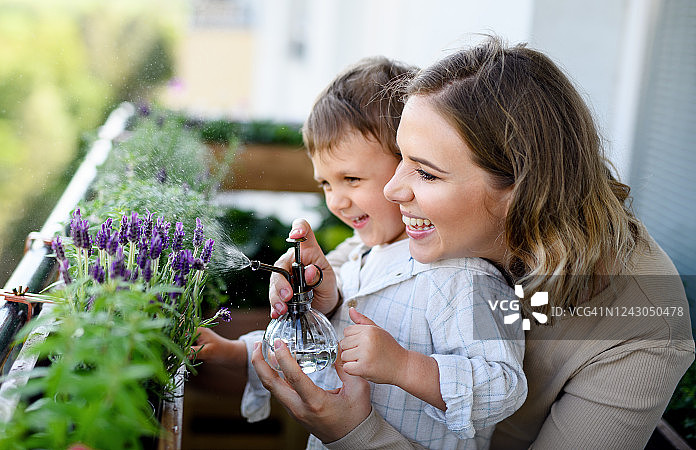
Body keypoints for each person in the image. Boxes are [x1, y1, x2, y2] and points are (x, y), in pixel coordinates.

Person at [256, 36, 695, 449]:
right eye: (400, 157)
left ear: (520, 190)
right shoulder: (442, 226)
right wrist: (327, 292)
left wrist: (354, 432)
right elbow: (369, 266)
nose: (391, 190)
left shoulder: (641, 325)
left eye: (425, 173)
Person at [195, 56, 527, 449]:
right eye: (325, 184)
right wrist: (234, 352)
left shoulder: (465, 277)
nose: (337, 201)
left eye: (351, 179)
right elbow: (317, 347)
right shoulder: (360, 257)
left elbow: (503, 387)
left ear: (411, 162)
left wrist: (405, 366)